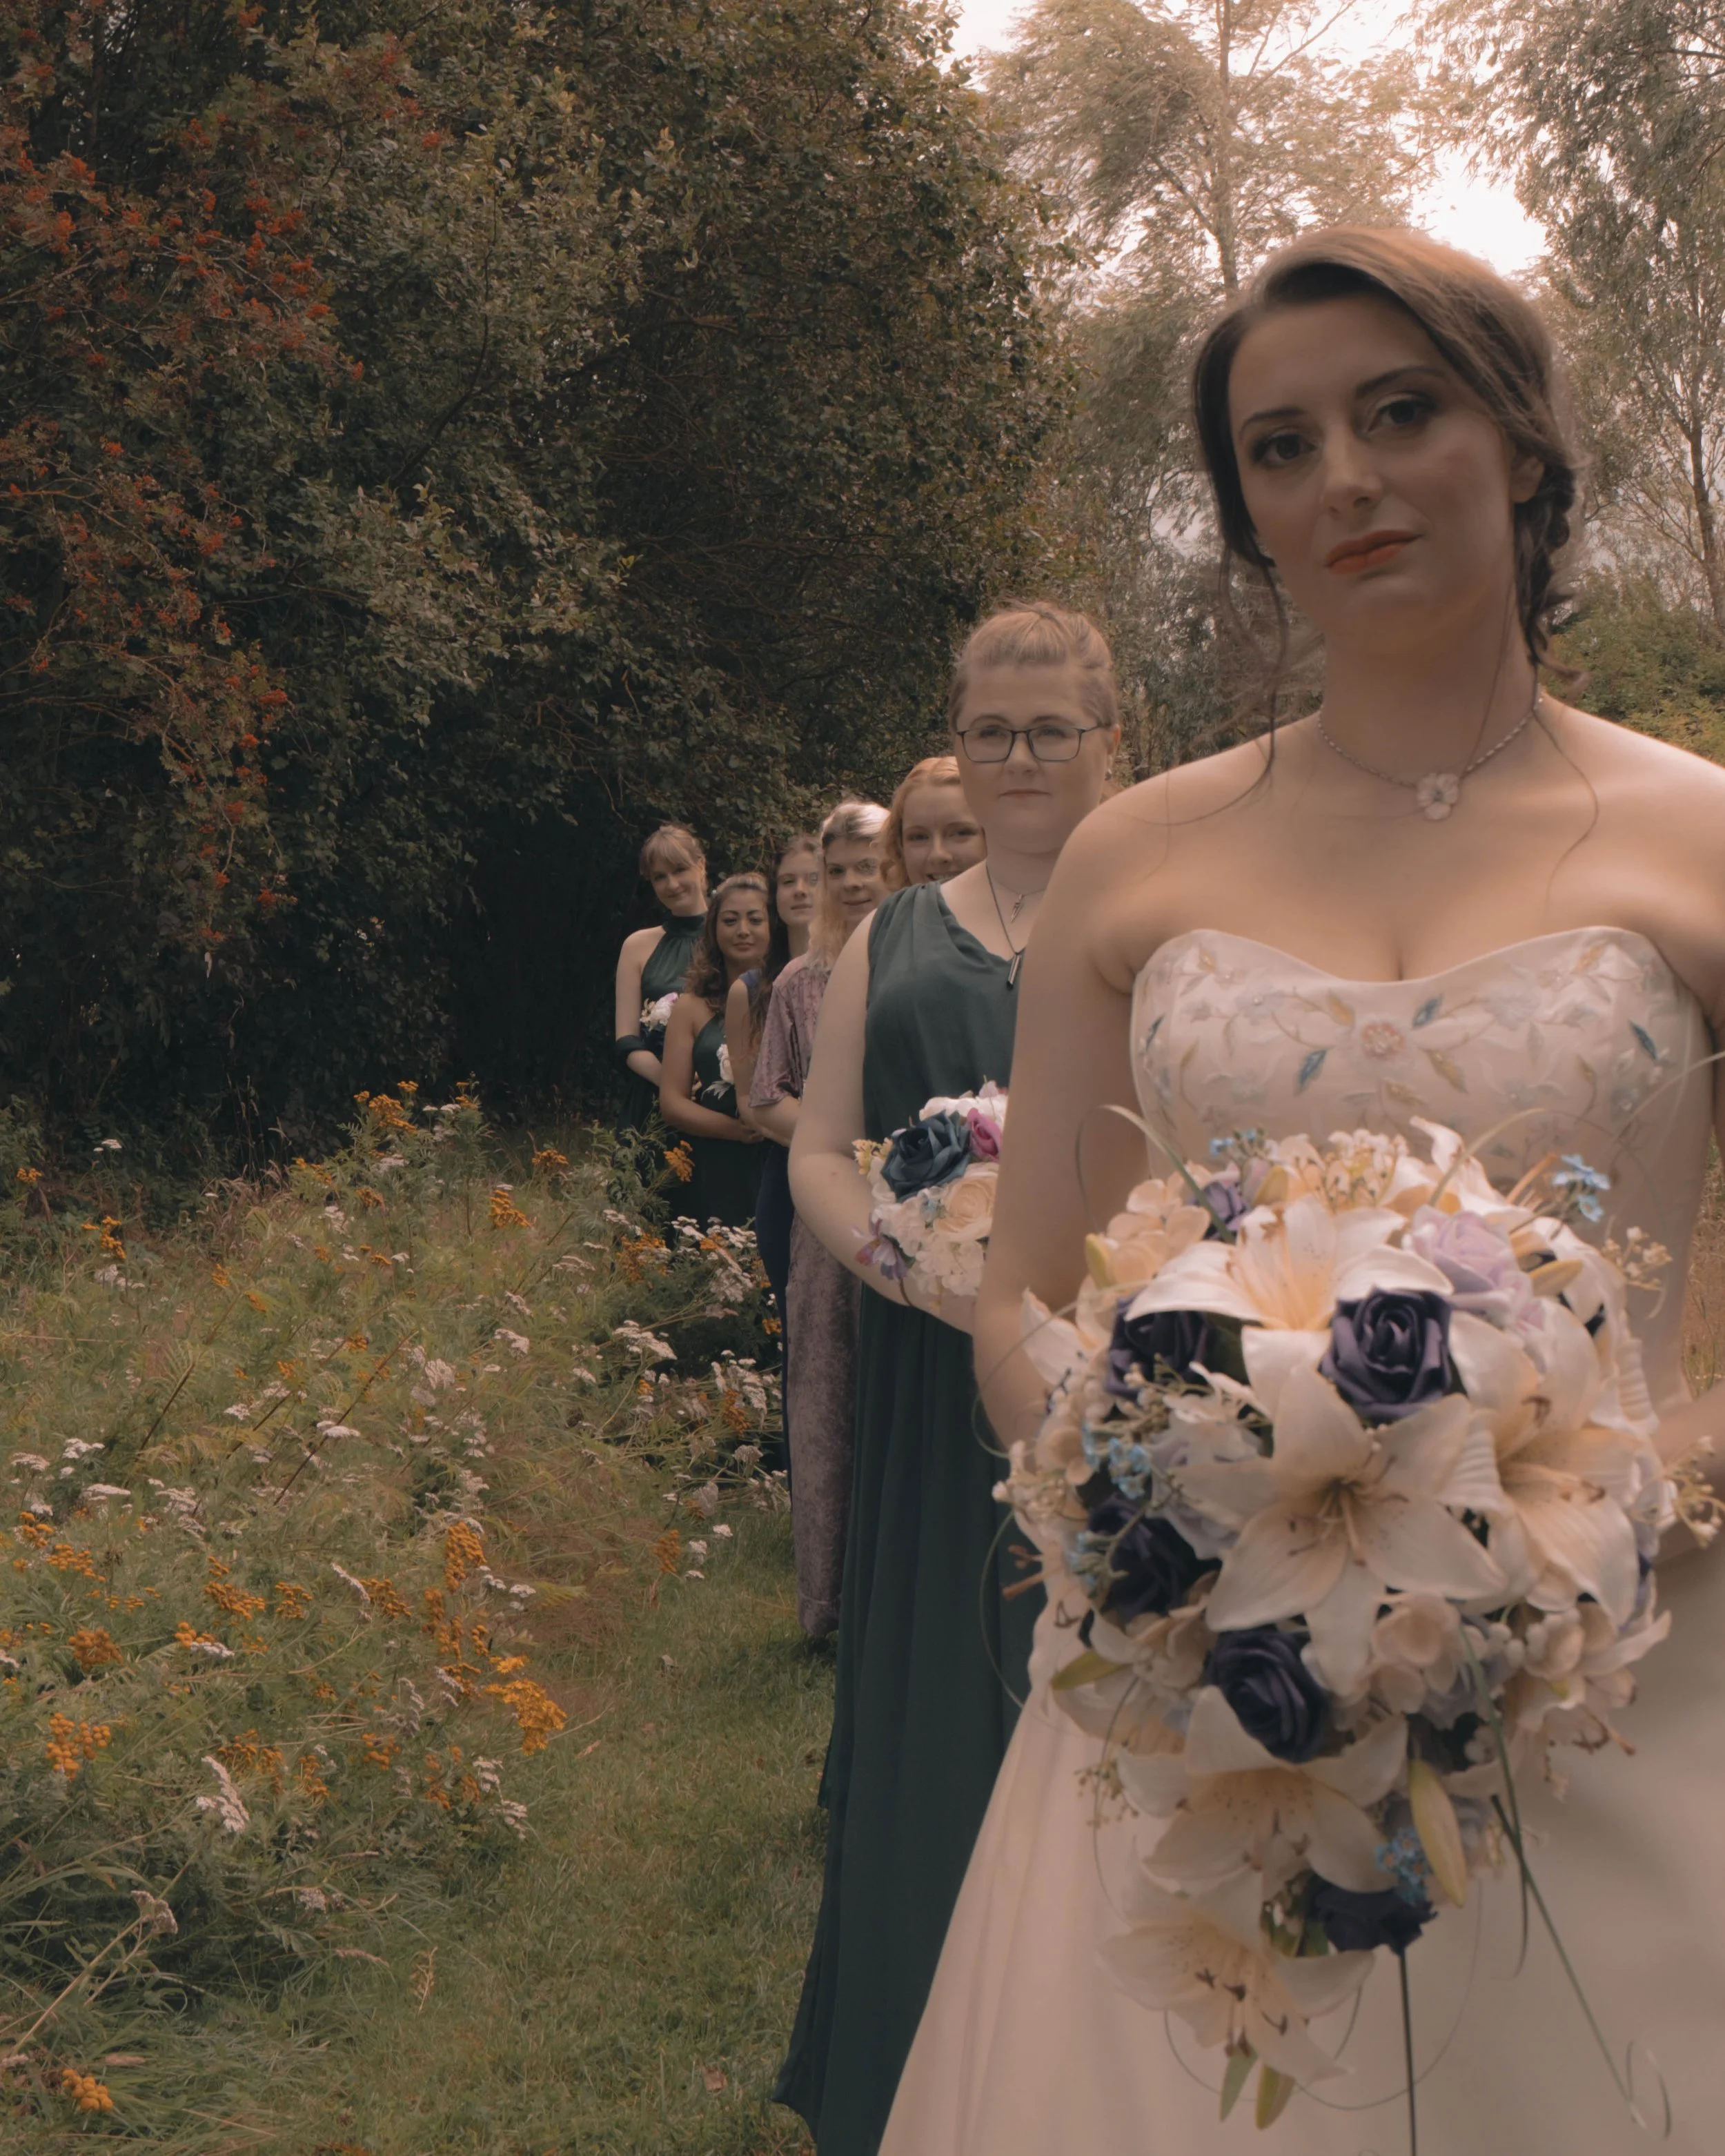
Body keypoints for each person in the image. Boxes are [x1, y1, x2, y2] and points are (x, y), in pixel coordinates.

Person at [882, 228, 1725, 2156]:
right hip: (1214, 1701)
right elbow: (1024, 1301)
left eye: (1397, 411)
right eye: (1278, 446)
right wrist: (1165, 1511)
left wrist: (1569, 1539)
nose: (1338, 476)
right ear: (1244, 516)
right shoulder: (1136, 850)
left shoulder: (1691, 832)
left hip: (1638, 1682)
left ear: (1519, 445)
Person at [776, 606, 1121, 2155]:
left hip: (1110, 1378)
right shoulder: (891, 937)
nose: (1020, 757)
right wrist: (913, 1266)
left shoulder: (1159, 916)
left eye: (1052, 728)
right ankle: (907, 2067)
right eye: (992, 730)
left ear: (1110, 737)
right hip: (931, 1377)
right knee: (937, 1713)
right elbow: (815, 1144)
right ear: (955, 744)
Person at [751, 804, 891, 1637]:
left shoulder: (927, 960)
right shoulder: (800, 982)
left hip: (943, 1192)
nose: (850, 881)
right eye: (835, 868)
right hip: (831, 1205)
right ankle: (830, 1603)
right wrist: (840, 1145)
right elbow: (766, 1095)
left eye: (865, 862)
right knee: (828, 1388)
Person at [727, 835, 822, 1327]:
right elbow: (749, 1099)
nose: (801, 890)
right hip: (787, 1168)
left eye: (813, 878)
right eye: (788, 881)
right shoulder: (751, 990)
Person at [658, 874, 770, 1227]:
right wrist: (735, 1130)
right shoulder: (691, 1006)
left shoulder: (792, 995)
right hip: (715, 1161)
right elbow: (672, 1103)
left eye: (755, 919)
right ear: (713, 930)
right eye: (730, 920)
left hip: (779, 1155)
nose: (743, 930)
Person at [613, 824, 709, 1133]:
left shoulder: (736, 938)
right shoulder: (637, 946)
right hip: (652, 1103)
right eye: (660, 877)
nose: (672, 884)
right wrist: (671, 1081)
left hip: (720, 1100)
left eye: (680, 870)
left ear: (701, 867)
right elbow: (627, 1039)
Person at [880, 753, 987, 886]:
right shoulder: (891, 907)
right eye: (919, 837)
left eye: (961, 833)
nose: (938, 855)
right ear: (900, 848)